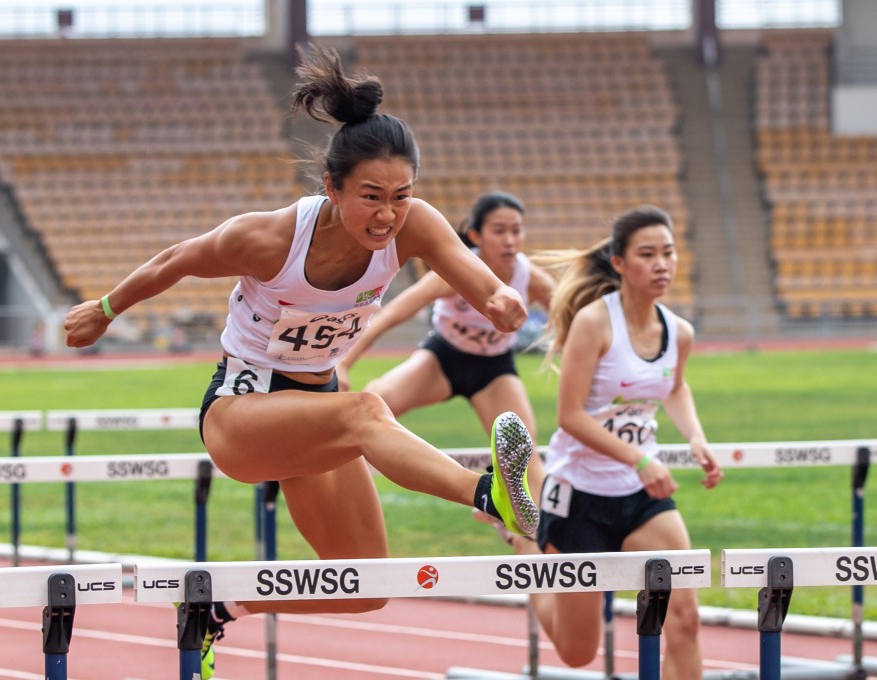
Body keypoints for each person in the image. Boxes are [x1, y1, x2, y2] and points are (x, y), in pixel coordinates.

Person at [63, 44, 539, 678]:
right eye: (371, 196)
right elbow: (175, 259)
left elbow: (467, 268)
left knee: (366, 584)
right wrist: (105, 307)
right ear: (331, 188)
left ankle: (214, 608)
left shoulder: (413, 225)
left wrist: (501, 300)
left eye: (402, 196)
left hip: (313, 414)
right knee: (366, 408)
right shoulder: (268, 238)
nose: (388, 214)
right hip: (240, 414)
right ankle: (490, 495)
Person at [531, 205, 723, 679]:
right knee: (577, 653)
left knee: (685, 618)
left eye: (669, 252)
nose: (662, 264)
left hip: (641, 500)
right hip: (579, 498)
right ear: (619, 263)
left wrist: (696, 437)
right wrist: (639, 459)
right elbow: (569, 415)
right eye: (647, 254)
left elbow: (674, 386)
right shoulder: (595, 323)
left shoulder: (679, 332)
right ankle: (523, 541)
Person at [336, 191, 555, 554]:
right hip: (443, 359)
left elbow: (573, 322)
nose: (511, 240)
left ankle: (547, 539)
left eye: (517, 231)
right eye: (500, 231)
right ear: (476, 236)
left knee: (527, 455)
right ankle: (343, 487)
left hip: (494, 371)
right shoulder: (455, 269)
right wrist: (344, 363)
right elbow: (392, 314)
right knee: (375, 398)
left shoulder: (531, 279)